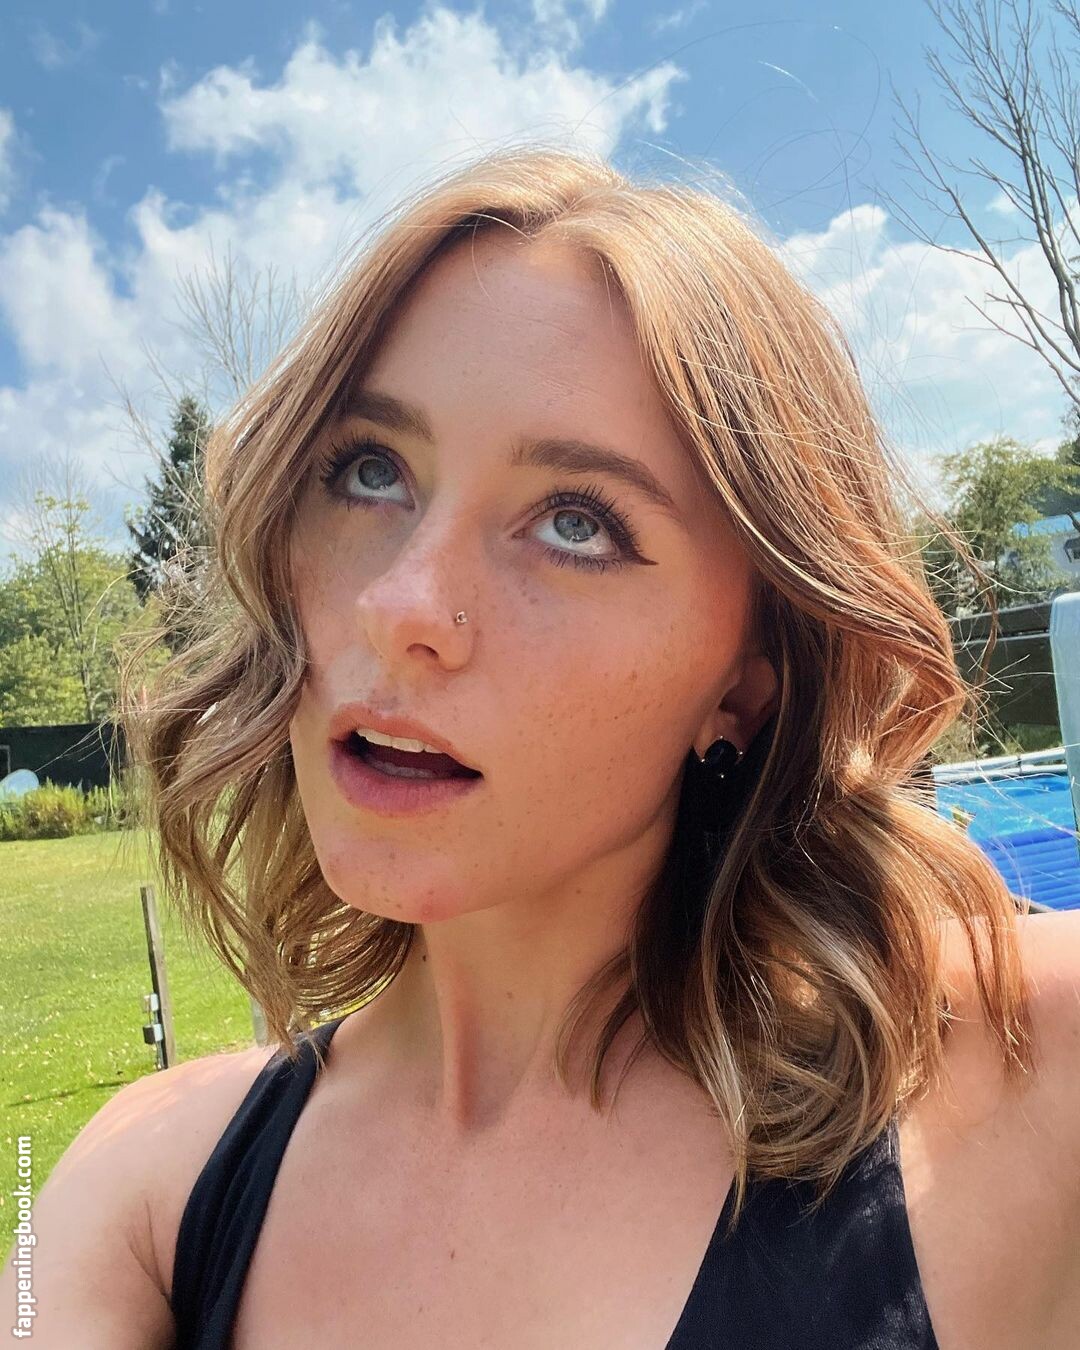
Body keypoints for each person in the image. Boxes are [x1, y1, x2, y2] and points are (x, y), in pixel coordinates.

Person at [7, 144, 1080, 1349]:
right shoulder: (145, 1190)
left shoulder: (1025, 1073)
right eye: (369, 472)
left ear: (744, 685)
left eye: (576, 523)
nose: (401, 606)